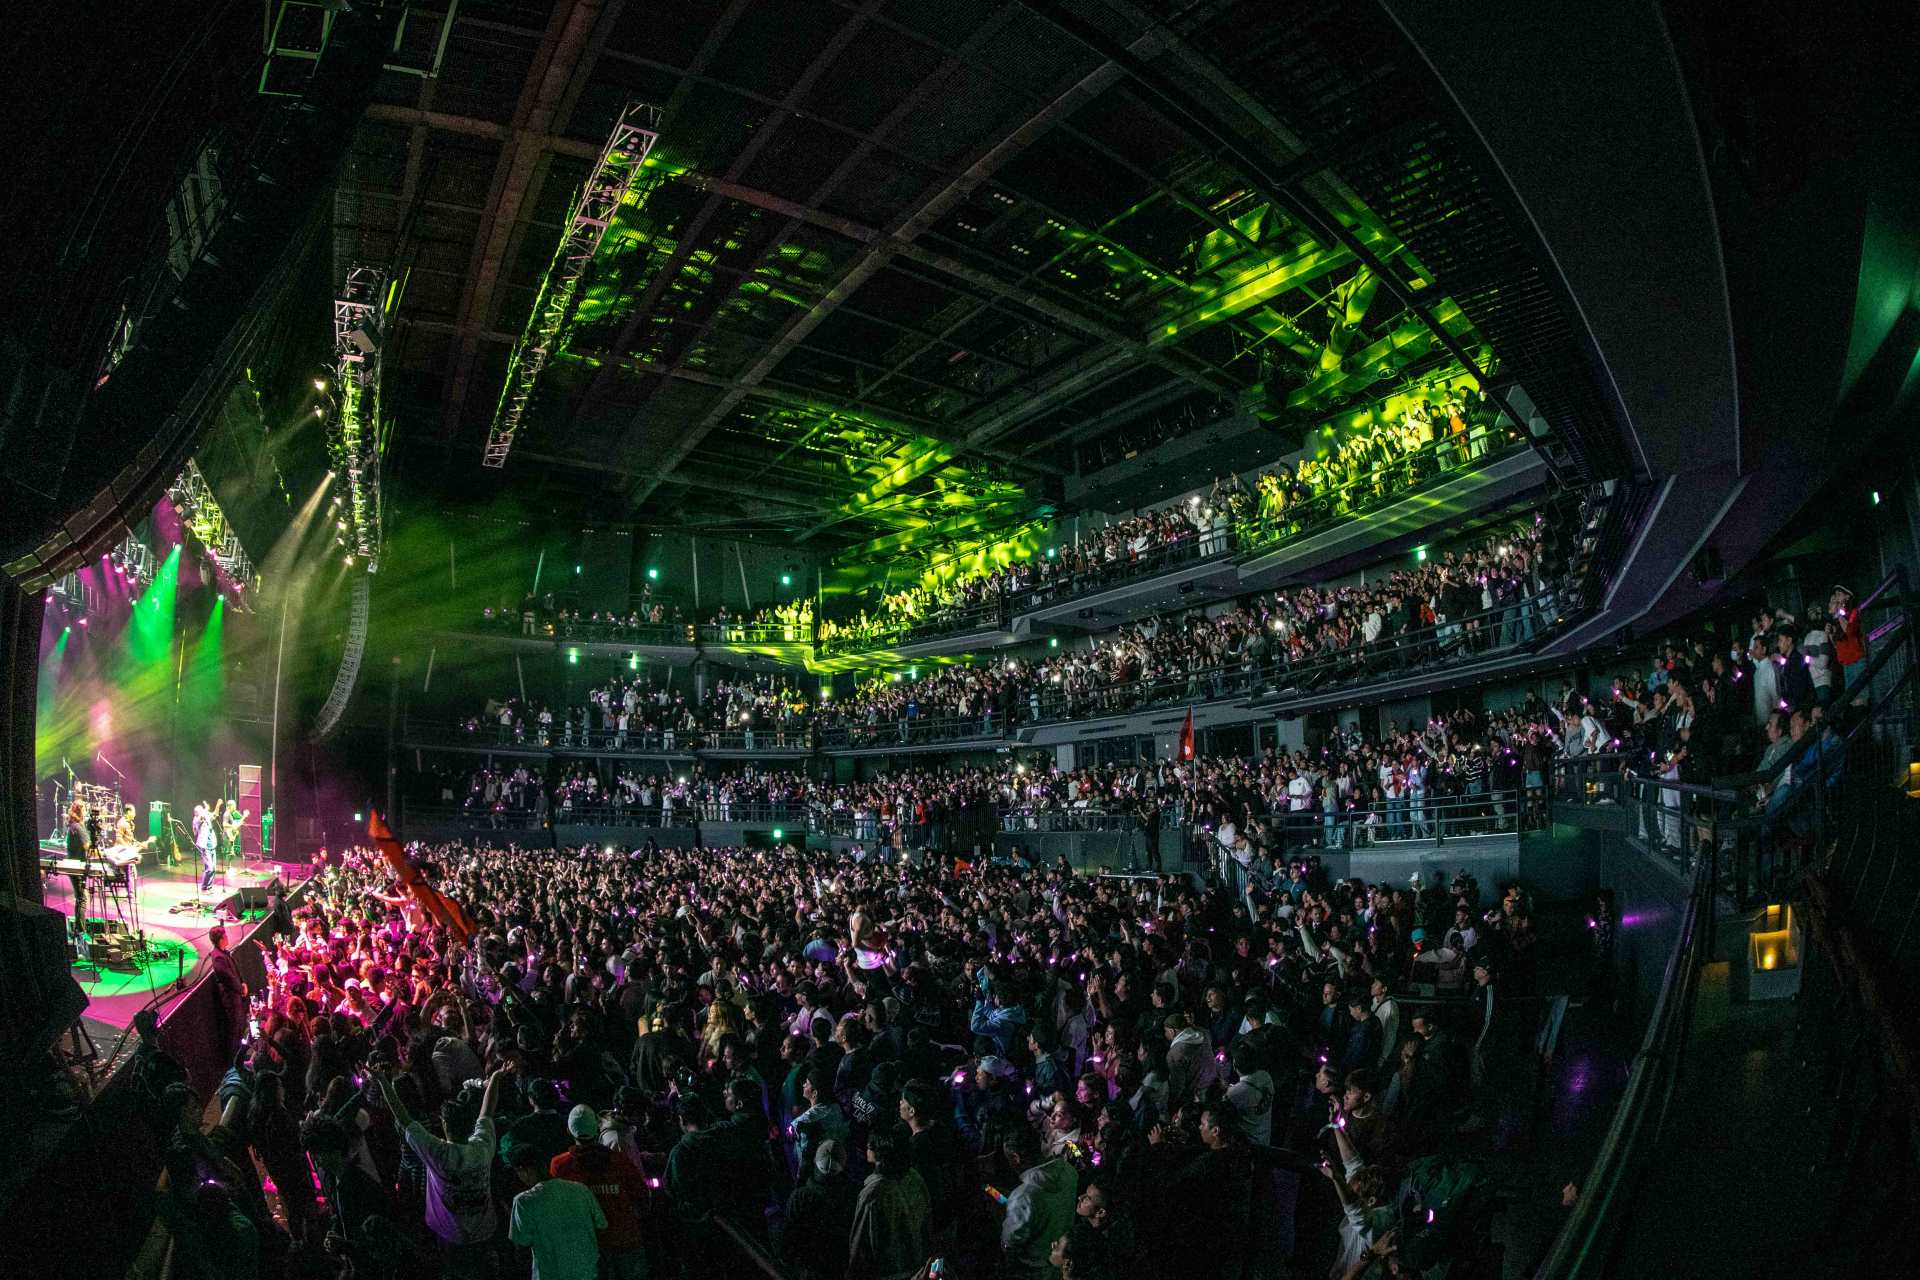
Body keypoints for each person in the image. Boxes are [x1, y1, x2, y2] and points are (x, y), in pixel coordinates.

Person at [377, 1064, 513, 1279]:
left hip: (449, 1233)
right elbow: (488, 1109)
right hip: (484, 1228)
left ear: (444, 1124)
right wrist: (495, 1078)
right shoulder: (482, 1147)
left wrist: (382, 1081)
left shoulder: (436, 1152)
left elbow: (403, 1117)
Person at [550, 1105, 650, 1280]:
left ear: (569, 1130)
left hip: (585, 1247)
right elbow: (641, 1194)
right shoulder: (618, 1160)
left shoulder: (560, 1166)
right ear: (597, 1128)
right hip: (624, 1240)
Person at [508, 1140, 606, 1280]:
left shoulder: (524, 1201)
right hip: (587, 1272)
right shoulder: (580, 1189)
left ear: (525, 1170)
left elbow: (521, 1245)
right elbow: (601, 1226)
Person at [848, 1121, 931, 1280]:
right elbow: (927, 1217)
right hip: (917, 1266)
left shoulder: (872, 1194)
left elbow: (859, 1245)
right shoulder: (914, 1176)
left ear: (879, 1152)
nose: (866, 1146)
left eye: (869, 1145)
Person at [1000, 1123, 1076, 1280]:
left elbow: (1011, 1243)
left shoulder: (1022, 1197)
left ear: (1016, 1158)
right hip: (1063, 1262)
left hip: (1034, 1271)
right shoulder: (1069, 1171)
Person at [781, 1139, 860, 1280]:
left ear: (815, 1162)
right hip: (840, 1267)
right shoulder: (853, 1196)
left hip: (810, 1268)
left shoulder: (800, 1196)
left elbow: (789, 1237)